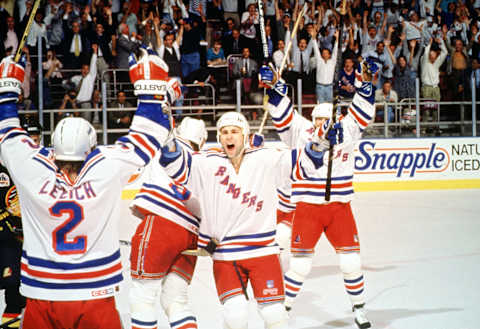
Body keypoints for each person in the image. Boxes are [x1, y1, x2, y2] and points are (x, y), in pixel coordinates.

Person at [0, 48, 176, 329]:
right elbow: (150, 133)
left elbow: (6, 131)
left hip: (41, 295)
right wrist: (150, 88)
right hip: (96, 294)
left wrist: (7, 91)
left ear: (53, 149)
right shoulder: (106, 166)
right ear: (91, 147)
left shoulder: (29, 166)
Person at [158, 105, 341, 329]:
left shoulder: (266, 158)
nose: (229, 136)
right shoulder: (207, 162)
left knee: (275, 316)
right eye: (224, 132)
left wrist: (321, 143)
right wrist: (166, 138)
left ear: (244, 134)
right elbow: (174, 162)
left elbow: (305, 161)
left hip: (263, 251)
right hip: (226, 255)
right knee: (235, 316)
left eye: (234, 131)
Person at [260, 58, 378, 329]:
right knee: (299, 268)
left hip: (339, 207)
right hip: (308, 208)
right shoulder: (302, 131)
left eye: (326, 118)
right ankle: (283, 312)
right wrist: (275, 85)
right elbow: (283, 113)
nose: (321, 123)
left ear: (337, 116)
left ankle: (359, 309)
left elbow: (363, 109)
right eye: (317, 119)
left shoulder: (347, 128)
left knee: (351, 262)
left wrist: (365, 83)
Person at [129, 116, 207, 329]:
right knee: (175, 300)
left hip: (161, 225)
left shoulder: (165, 147)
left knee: (142, 297)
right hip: (192, 235)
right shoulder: (206, 161)